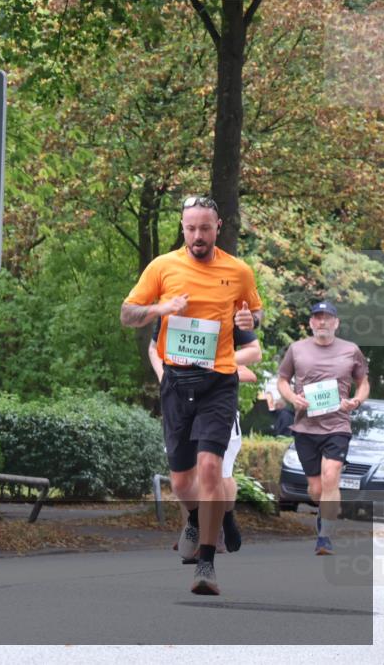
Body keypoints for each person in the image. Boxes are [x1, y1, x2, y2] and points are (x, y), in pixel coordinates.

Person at [121, 194, 263, 595]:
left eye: (205, 228)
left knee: (209, 469)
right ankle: (211, 518)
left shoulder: (238, 270)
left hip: (218, 381)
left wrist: (249, 318)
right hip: (176, 382)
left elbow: (255, 312)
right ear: (182, 228)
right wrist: (161, 309)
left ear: (218, 228)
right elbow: (127, 313)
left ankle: (205, 564)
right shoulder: (162, 266)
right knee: (182, 483)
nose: (198, 235)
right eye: (191, 228)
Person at [149, 319, 262, 555]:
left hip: (218, 409)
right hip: (181, 404)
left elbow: (250, 367)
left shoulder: (224, 305)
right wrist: (164, 376)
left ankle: (225, 518)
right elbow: (154, 348)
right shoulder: (172, 306)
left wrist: (217, 364)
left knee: (218, 474)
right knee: (186, 477)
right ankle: (192, 531)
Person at [276, 301, 369, 555]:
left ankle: (325, 537)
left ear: (336, 323)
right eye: (317, 318)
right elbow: (282, 380)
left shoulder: (351, 350)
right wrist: (292, 398)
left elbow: (363, 383)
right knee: (316, 489)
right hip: (305, 426)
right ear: (310, 323)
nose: (322, 322)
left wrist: (356, 401)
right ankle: (323, 515)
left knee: (331, 475)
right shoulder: (297, 349)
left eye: (327, 318)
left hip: (338, 424)